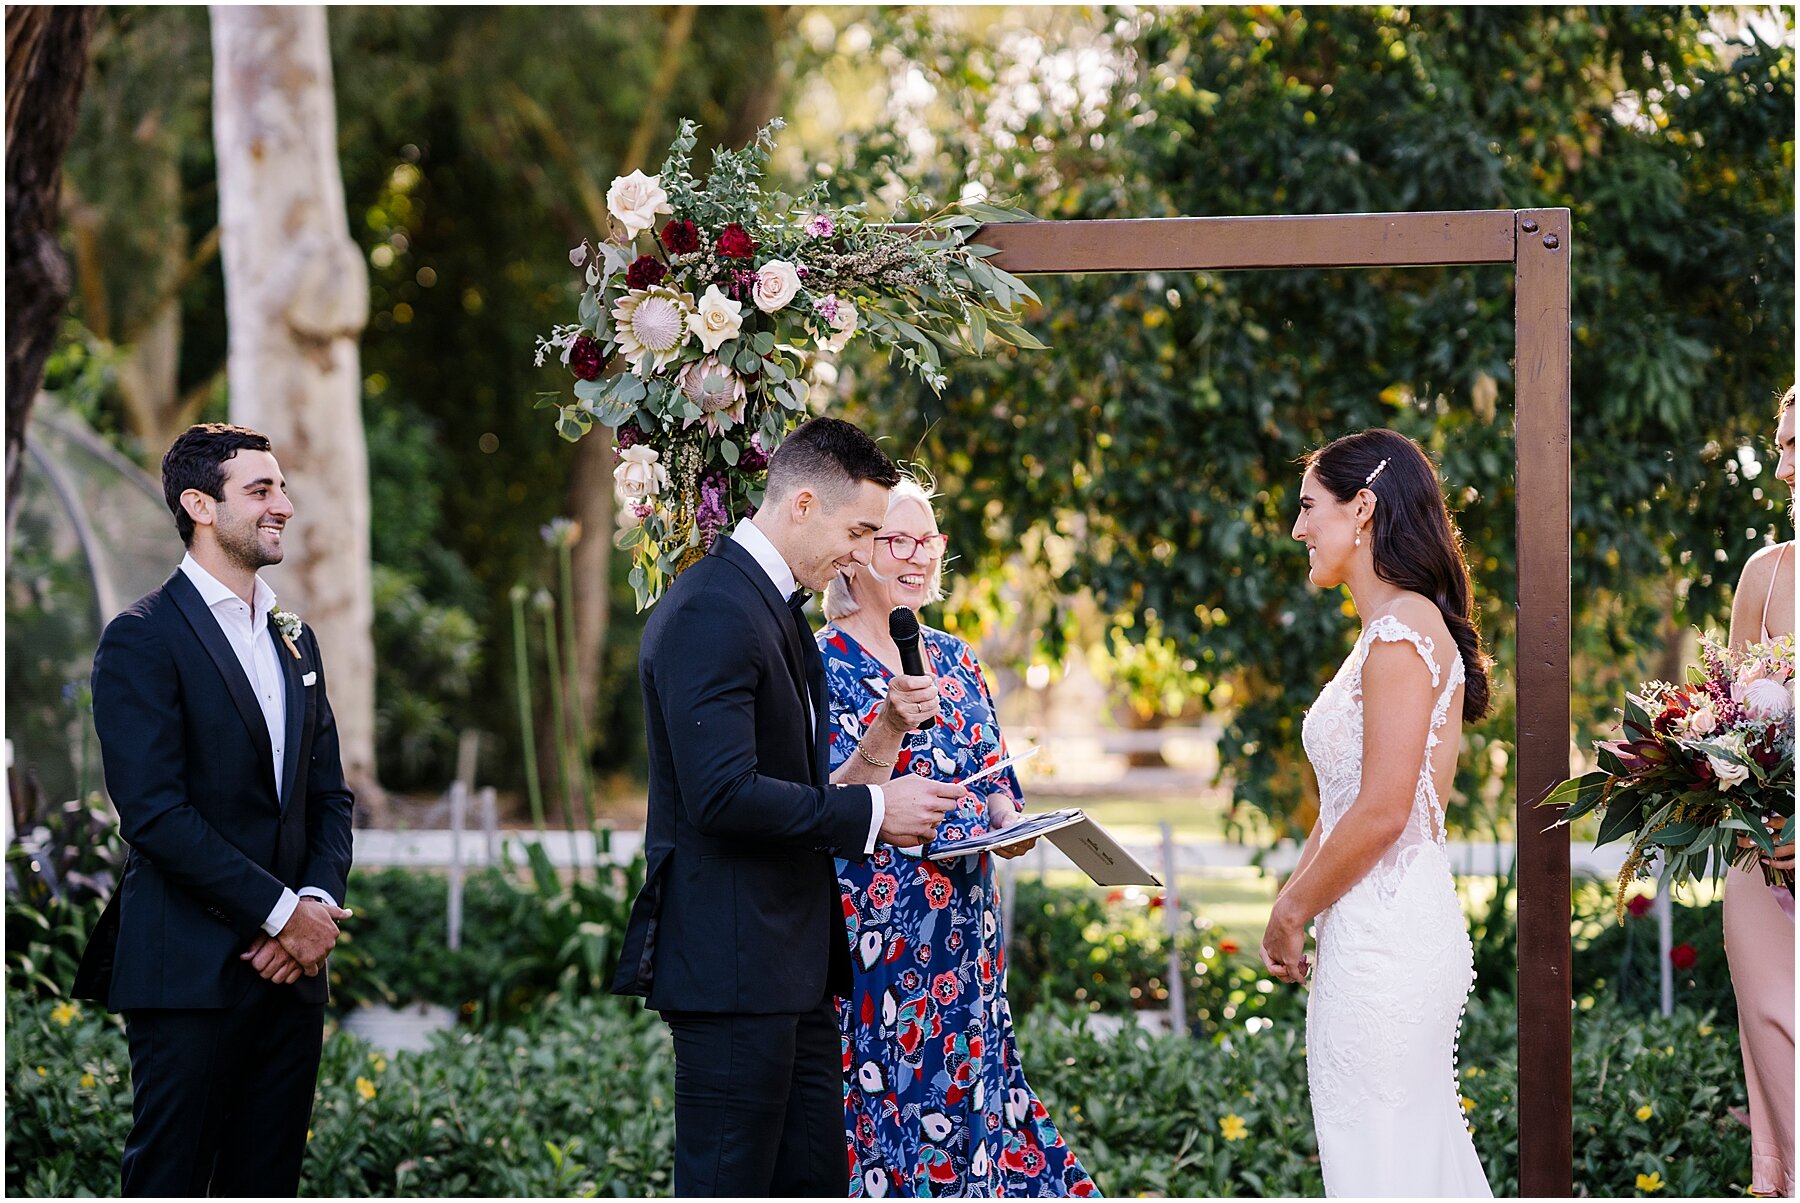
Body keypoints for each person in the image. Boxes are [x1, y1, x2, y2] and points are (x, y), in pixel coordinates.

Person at [611, 417, 966, 1196]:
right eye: (861, 530)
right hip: (733, 972)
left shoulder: (773, 607)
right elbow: (722, 795)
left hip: (790, 972)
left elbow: (798, 782)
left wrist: (881, 750)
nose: (865, 553)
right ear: (803, 503)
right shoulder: (713, 608)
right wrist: (875, 816)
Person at [71, 423, 355, 1197]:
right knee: (172, 1181)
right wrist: (277, 913)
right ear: (200, 504)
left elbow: (329, 795)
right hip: (186, 973)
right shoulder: (141, 638)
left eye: (283, 488)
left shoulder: (297, 639)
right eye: (261, 490)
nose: (284, 506)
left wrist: (315, 908)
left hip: (292, 978)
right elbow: (155, 814)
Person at [818, 475, 1097, 1198]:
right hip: (877, 956)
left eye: (928, 541)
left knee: (979, 1131)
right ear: (852, 556)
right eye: (897, 539)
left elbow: (996, 785)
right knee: (891, 1137)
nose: (917, 557)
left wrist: (1010, 826)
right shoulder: (819, 665)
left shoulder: (960, 660)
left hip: (965, 955)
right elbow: (818, 806)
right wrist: (887, 737)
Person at [1259, 428, 1492, 1197]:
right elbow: (1342, 804)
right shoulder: (1385, 632)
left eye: (1307, 507)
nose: (1297, 529)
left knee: (1382, 1169)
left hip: (1387, 941)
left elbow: (1387, 806)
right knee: (1388, 1163)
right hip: (1368, 930)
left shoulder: (1400, 632)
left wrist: (1294, 909)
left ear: (1361, 508)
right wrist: (1291, 900)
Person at [1723, 385, 1795, 1198]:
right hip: (1763, 877)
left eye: (1796, 444)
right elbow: (1731, 729)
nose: (1781, 467)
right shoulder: (1764, 577)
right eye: (1778, 444)